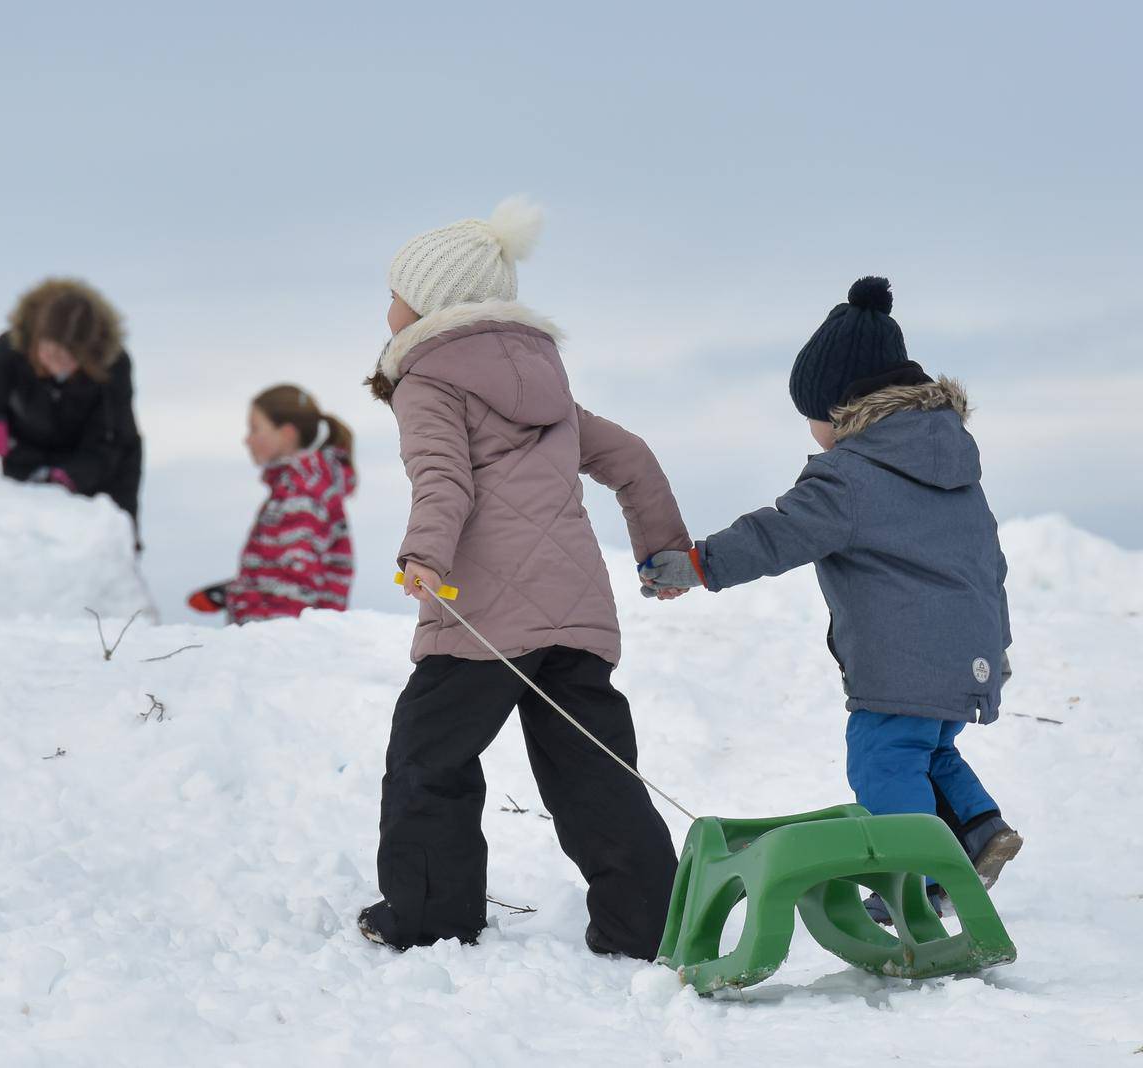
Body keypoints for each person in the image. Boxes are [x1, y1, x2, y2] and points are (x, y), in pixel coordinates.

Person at [357, 198, 691, 958]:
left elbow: (443, 480)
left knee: (428, 758)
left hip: (481, 615)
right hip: (576, 613)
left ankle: (432, 918)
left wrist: (424, 556)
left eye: (394, 292)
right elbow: (630, 457)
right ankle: (647, 923)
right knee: (593, 771)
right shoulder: (544, 378)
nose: (388, 308)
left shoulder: (428, 380)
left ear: (431, 304)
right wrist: (661, 552)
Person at [639, 277, 1022, 923]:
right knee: (928, 749)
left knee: (881, 755)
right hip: (973, 648)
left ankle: (916, 879)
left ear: (842, 409)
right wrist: (995, 647)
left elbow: (776, 534)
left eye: (811, 418)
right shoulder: (954, 463)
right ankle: (982, 830)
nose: (812, 433)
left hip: (903, 656)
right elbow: (988, 558)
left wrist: (702, 563)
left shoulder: (848, 476)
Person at [0, 278, 144, 538]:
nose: (56, 364)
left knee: (103, 550)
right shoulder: (10, 350)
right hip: (27, 473)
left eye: (68, 357)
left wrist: (67, 477)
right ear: (36, 341)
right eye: (50, 352)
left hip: (102, 475)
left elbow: (111, 441)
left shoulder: (114, 364)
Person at [188, 386, 357, 622]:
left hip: (284, 645)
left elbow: (296, 586)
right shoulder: (297, 488)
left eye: (255, 429)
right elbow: (278, 572)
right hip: (282, 639)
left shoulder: (301, 494)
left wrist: (262, 640)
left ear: (287, 433)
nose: (247, 439)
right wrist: (230, 593)